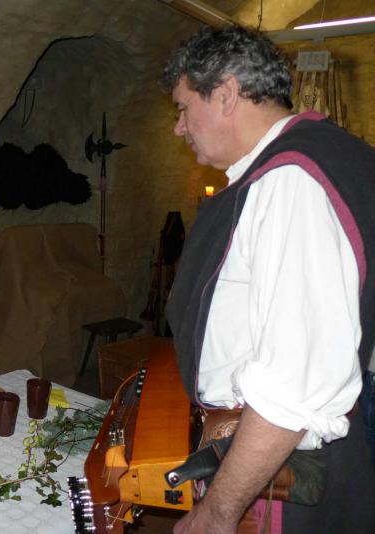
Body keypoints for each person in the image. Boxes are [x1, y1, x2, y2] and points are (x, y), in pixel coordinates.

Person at [162, 26, 375, 533]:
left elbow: (292, 382)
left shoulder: (290, 181)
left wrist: (218, 512)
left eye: (183, 107)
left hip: (279, 473)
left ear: (226, 93)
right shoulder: (337, 152)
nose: (178, 127)